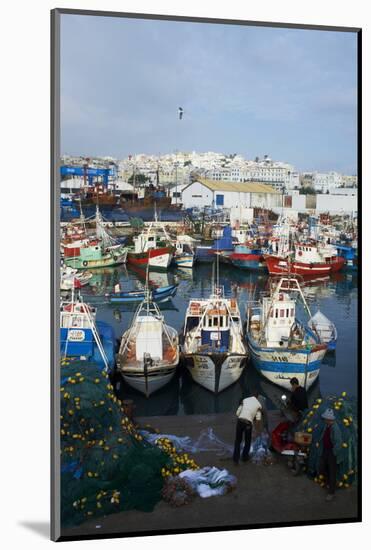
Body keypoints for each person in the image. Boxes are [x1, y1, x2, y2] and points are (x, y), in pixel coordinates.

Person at [318, 408, 343, 502]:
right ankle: (328, 484)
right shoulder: (327, 426)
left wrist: (334, 452)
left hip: (331, 452)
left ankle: (331, 493)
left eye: (325, 418)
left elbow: (339, 442)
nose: (324, 420)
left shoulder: (335, 428)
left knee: (332, 472)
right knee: (322, 467)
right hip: (325, 450)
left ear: (329, 419)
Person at [233, 393, 263, 465]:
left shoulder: (245, 400)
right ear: (257, 397)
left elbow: (237, 413)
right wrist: (257, 430)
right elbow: (258, 419)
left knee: (238, 440)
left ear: (251, 395)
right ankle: (244, 457)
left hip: (240, 421)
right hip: (248, 424)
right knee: (247, 441)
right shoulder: (259, 405)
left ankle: (235, 459)